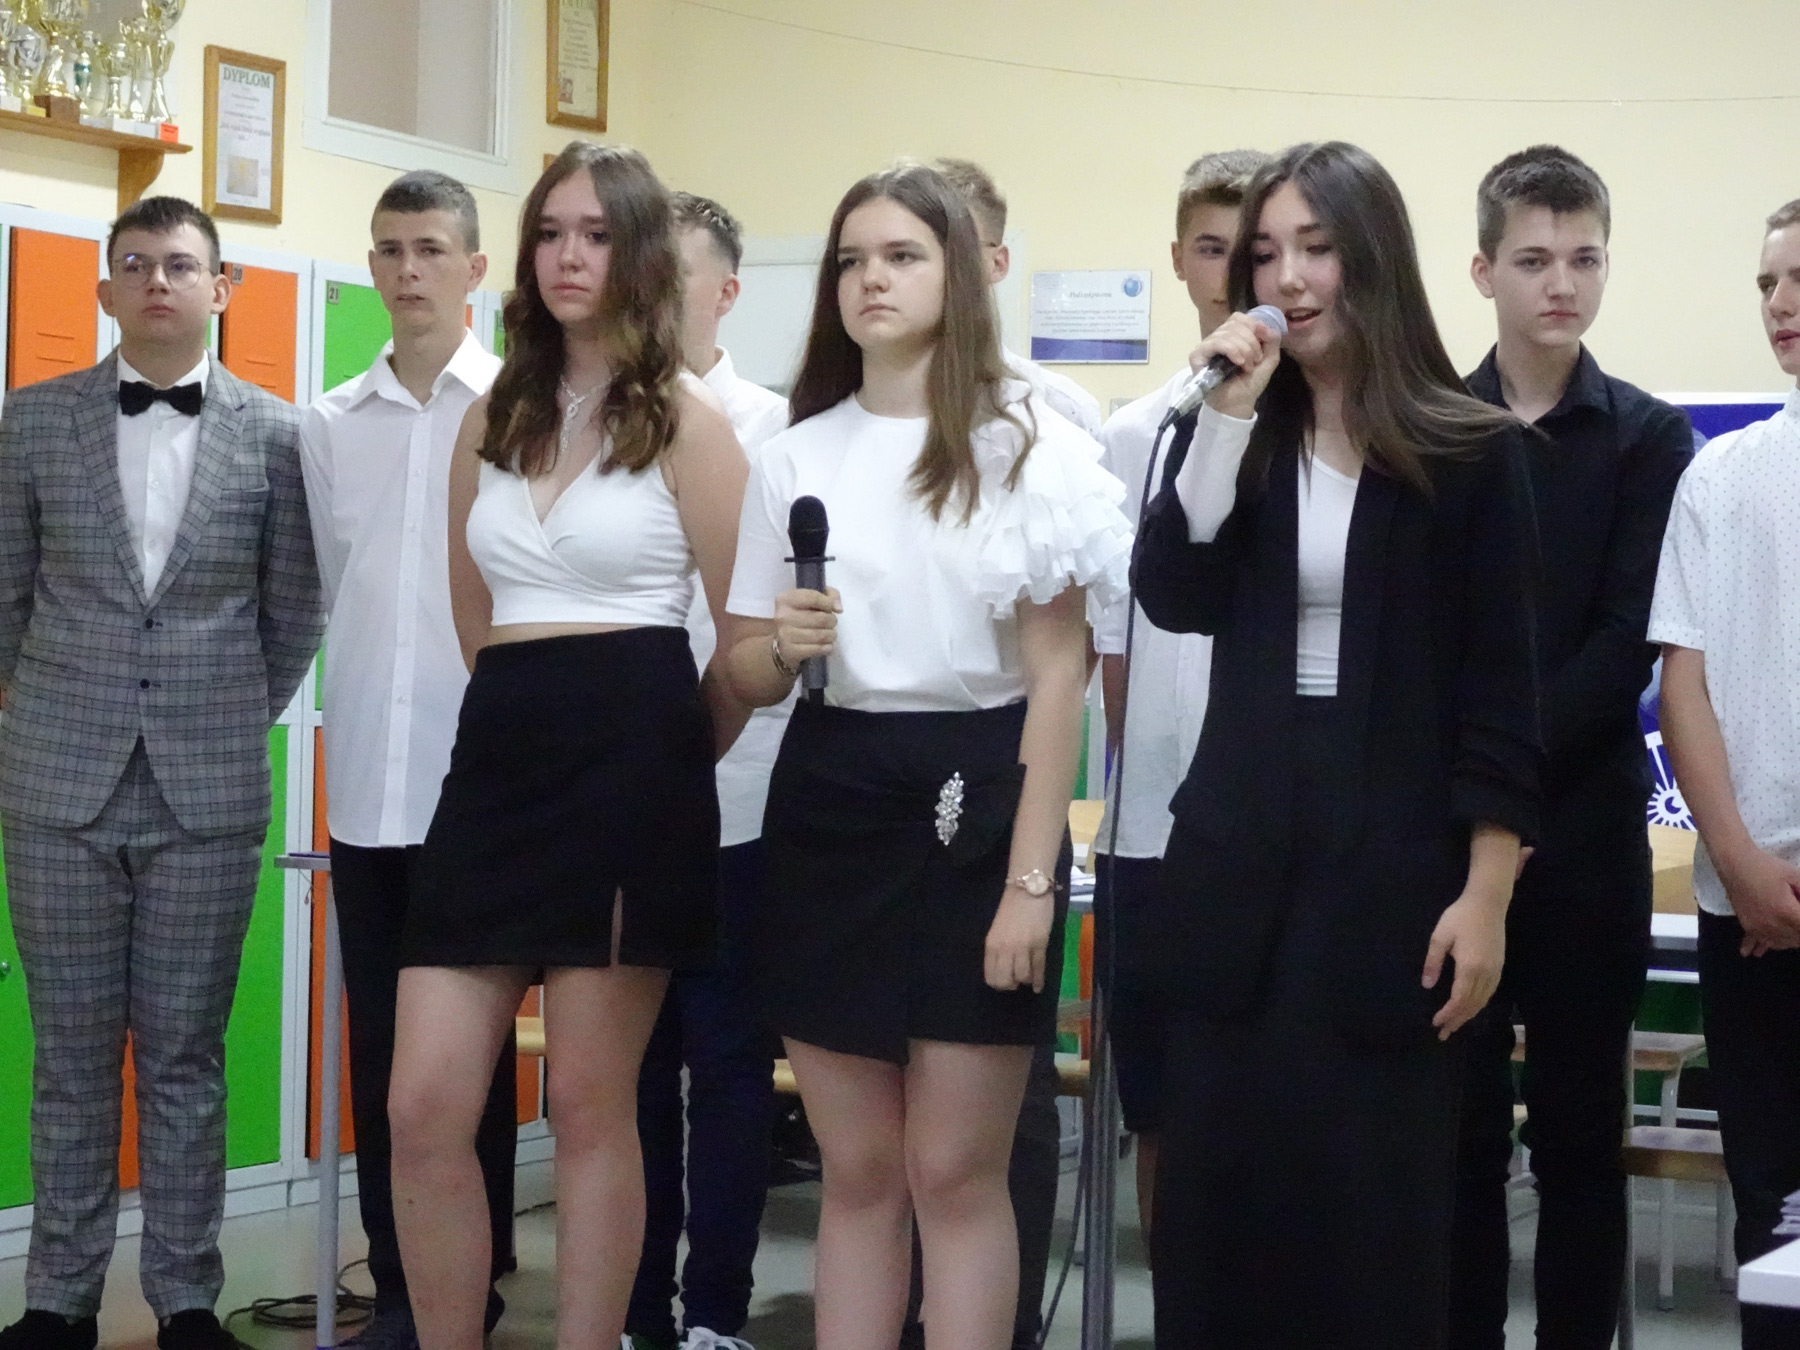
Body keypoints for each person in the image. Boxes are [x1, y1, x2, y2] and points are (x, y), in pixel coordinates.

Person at [1132, 142, 1540, 1350]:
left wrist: (1487, 893)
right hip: (1239, 862)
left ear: (1372, 256)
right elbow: (1176, 592)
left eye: (1316, 248)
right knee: (1220, 1223)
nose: (1290, 279)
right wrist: (1220, 420)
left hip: (1395, 870)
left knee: (1373, 1227)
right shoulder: (1238, 432)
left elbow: (1501, 699)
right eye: (1266, 254)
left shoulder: (1471, 449)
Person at [721, 162, 1131, 1350]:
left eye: (901, 255)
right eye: (852, 260)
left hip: (979, 797)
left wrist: (1031, 884)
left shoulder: (1030, 448)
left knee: (953, 1171)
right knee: (858, 1172)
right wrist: (777, 649)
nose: (871, 280)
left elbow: (1058, 683)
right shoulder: (793, 453)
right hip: (830, 792)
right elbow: (744, 665)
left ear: (960, 273)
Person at [384, 143, 750, 1350]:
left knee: (593, 1107)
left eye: (596, 234)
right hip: (500, 762)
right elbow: (473, 616)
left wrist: (667, 755)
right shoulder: (492, 415)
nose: (569, 256)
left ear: (639, 255)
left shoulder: (691, 426)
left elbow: (745, 637)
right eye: (551, 232)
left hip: (634, 766)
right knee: (423, 1105)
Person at [0, 196, 323, 1350]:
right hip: (58, 788)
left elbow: (294, 613)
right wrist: (53, 711)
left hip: (206, 790)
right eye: (134, 264)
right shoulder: (31, 423)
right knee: (70, 1059)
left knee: (186, 1059)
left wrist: (220, 713)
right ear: (104, 291)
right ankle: (59, 1301)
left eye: (181, 265)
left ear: (221, 289)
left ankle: (187, 1300)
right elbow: (5, 598)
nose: (156, 283)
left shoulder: (281, 437)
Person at [1449, 145, 1693, 1350]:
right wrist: (1479, 792)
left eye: (1585, 259)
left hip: (1586, 835)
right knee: (1457, 1142)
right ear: (1483, 270)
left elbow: (1624, 641)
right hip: (1448, 845)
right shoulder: (1432, 428)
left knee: (1580, 1143)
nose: (1563, 284)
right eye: (1535, 260)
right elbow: (1424, 640)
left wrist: (1506, 764)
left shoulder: (1648, 438)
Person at [298, 170, 519, 1350]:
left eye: (430, 248)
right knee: (382, 1056)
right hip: (368, 787)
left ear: (475, 268)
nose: (406, 269)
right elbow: (339, 591)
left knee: (468, 1070)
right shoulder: (331, 423)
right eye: (388, 249)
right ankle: (398, 1292)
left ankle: (474, 1294)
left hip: (480, 787)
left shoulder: (525, 410)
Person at [1092, 147, 1267, 1242]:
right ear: (1178, 261)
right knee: (1162, 1114)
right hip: (1155, 828)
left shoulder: (1325, 424)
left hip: (1279, 826)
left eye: (1254, 249)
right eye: (1212, 248)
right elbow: (1117, 635)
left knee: (1276, 1114)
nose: (1233, 272)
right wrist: (1139, 789)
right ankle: (1178, 1308)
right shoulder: (1140, 432)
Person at [626, 191, 788, 1350]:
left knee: (729, 1066)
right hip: (624, 798)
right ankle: (634, 1308)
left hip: (743, 798)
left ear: (725, 291)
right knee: (627, 1071)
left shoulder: (776, 430)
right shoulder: (596, 416)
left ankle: (718, 1311)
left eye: (671, 272)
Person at [1649, 196, 1800, 1350]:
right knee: (1773, 1211)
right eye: (1766, 283)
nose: (1780, 304)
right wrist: (1742, 864)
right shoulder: (1721, 477)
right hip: (1748, 906)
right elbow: (1683, 686)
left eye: (1799, 280)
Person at [931, 157, 1104, 438]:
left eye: (954, 249)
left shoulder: (1061, 411)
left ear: (997, 263)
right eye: (903, 255)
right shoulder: (857, 403)